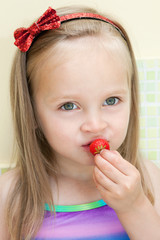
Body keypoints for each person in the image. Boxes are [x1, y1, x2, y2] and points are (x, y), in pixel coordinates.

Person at [0, 5, 160, 240]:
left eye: (111, 100)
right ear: (32, 113)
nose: (95, 125)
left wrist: (134, 206)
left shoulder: (147, 178)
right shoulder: (10, 195)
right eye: (68, 106)